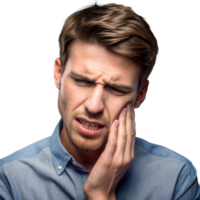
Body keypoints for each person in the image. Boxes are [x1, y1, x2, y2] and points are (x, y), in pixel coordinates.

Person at [0, 1, 199, 200]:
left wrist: (101, 195)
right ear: (58, 73)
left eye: (116, 89)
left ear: (141, 94)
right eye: (82, 81)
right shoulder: (9, 178)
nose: (94, 106)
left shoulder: (176, 178)